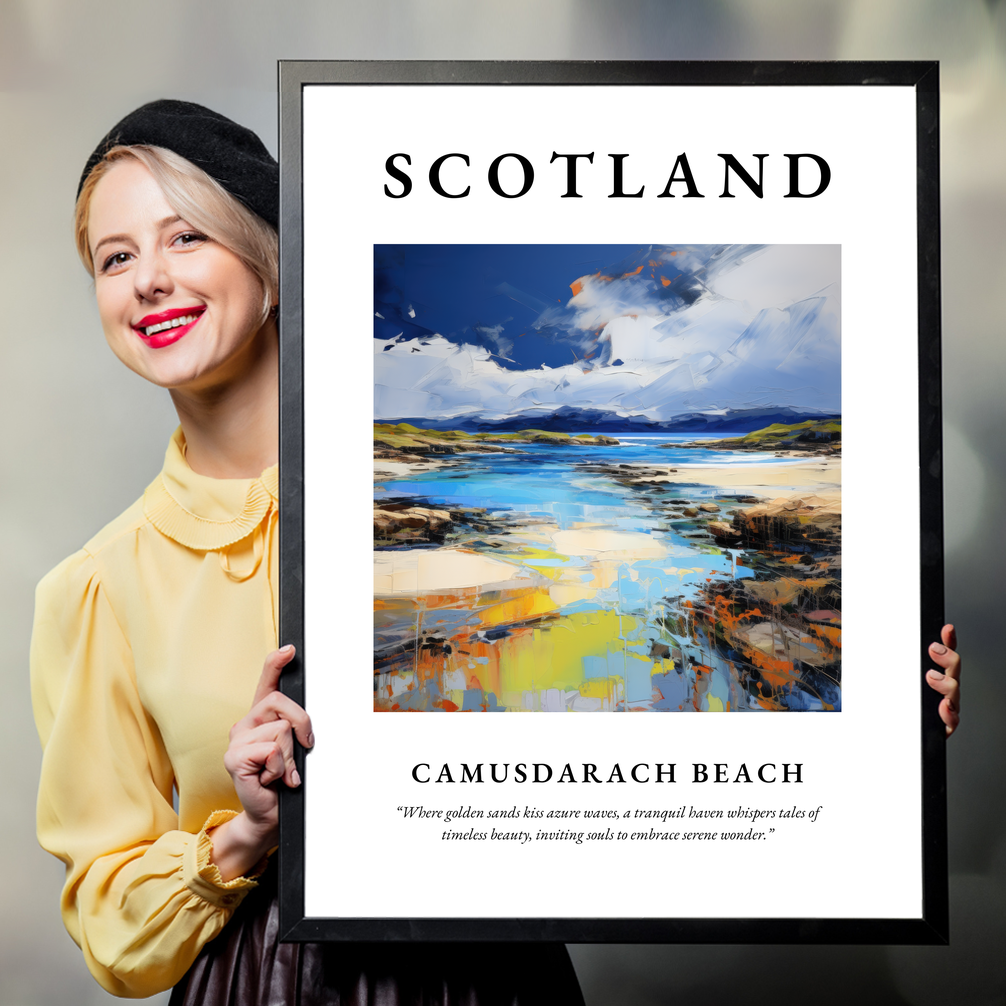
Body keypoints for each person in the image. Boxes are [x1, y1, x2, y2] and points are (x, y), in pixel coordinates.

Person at [30, 100, 586, 1004]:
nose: (148, 281)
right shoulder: (97, 587)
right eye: (116, 257)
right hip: (262, 982)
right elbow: (110, 923)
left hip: (492, 974)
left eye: (185, 238)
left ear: (273, 263)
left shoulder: (450, 498)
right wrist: (245, 832)